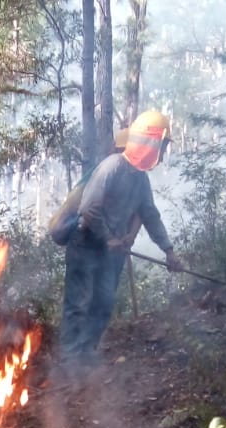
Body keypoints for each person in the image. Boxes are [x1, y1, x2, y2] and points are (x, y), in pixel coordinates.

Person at [60, 109, 184, 366]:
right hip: (86, 243)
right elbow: (88, 209)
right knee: (78, 303)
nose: (161, 151)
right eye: (161, 144)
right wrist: (107, 238)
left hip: (111, 252)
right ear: (149, 142)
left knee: (103, 303)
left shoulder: (140, 179)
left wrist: (169, 250)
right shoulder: (112, 167)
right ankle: (71, 362)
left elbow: (150, 215)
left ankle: (87, 355)